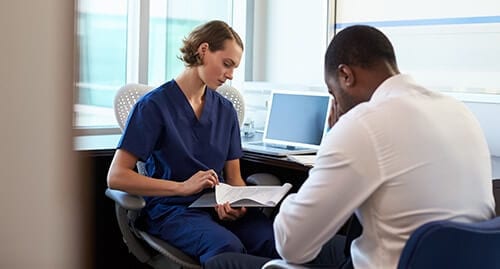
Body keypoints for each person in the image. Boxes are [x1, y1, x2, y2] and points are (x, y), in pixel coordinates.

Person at [205, 24, 495, 269]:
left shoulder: (364, 123)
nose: (337, 104)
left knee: (224, 263)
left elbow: (291, 245)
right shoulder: (458, 112)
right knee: (333, 242)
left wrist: (335, 136)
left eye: (333, 92)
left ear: (346, 75)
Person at [107, 20, 279, 265]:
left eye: (234, 68)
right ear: (203, 50)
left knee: (274, 240)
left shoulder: (225, 110)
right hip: (172, 210)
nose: (230, 75)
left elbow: (234, 177)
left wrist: (235, 202)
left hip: (215, 206)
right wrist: (182, 187)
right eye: (226, 64)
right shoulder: (153, 107)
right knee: (226, 246)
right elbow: (116, 177)